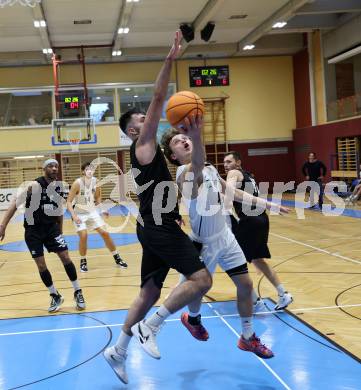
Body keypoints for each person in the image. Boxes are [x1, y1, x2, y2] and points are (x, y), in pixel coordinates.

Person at [103, 31, 212, 385]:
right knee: (201, 279)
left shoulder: (146, 153)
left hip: (153, 224)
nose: (147, 121)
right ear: (134, 131)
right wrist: (170, 59)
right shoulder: (143, 144)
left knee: (149, 291)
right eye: (140, 122)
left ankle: (117, 349)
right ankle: (151, 326)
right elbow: (159, 95)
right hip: (158, 228)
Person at [162, 128, 289, 358]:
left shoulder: (209, 168)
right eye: (178, 142)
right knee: (194, 290)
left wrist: (268, 204)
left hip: (224, 236)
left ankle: (247, 337)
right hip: (204, 241)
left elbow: (233, 192)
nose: (184, 141)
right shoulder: (183, 172)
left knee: (246, 285)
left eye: (186, 138)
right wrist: (196, 134)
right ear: (173, 156)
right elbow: (197, 165)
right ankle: (175, 321)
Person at [0, 159, 86, 313]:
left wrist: (60, 230)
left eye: (56, 166)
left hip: (51, 229)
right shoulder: (33, 186)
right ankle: (54, 295)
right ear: (44, 169)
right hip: (33, 231)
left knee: (65, 257)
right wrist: (3, 225)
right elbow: (14, 204)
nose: (54, 168)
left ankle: (78, 291)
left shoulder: (59, 188)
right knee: (41, 264)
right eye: (50, 166)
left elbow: (59, 210)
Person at [223, 151, 293, 311]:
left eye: (229, 162)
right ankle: (283, 294)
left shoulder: (234, 173)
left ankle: (254, 300)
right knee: (258, 260)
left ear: (238, 163)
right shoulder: (249, 176)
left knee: (231, 260)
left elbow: (230, 193)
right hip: (261, 219)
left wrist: (224, 211)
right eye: (224, 163)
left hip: (248, 220)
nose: (226, 165)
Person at [66, 162, 128, 272]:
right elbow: (69, 202)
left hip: (92, 212)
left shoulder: (96, 182)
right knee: (84, 235)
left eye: (91, 169)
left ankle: (117, 257)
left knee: (105, 233)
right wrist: (74, 216)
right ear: (83, 171)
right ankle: (83, 260)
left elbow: (98, 197)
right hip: (79, 214)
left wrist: (103, 209)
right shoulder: (77, 183)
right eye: (87, 169)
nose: (89, 171)